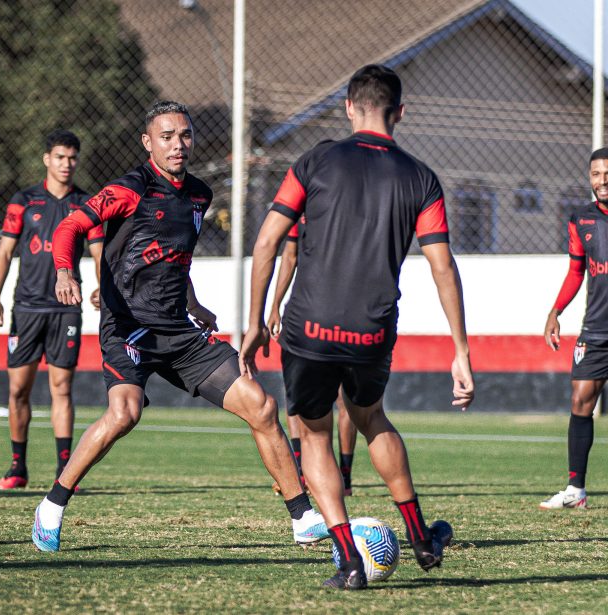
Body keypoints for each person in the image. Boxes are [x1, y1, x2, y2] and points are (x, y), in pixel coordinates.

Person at [31, 100, 328, 554]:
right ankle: (52, 505)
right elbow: (70, 227)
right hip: (129, 328)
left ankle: (303, 519)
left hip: (180, 331)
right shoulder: (129, 189)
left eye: (185, 135)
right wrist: (64, 272)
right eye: (166, 136)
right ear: (148, 142)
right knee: (125, 414)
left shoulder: (199, 195)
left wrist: (194, 303)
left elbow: (173, 257)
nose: (178, 144)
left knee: (261, 406)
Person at [241, 65, 474, 591]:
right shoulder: (421, 177)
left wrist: (255, 323)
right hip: (371, 329)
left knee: (315, 433)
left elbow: (265, 244)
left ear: (349, 107)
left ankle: (349, 562)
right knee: (371, 417)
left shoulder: (316, 159)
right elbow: (443, 266)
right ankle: (420, 537)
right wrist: (460, 350)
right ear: (400, 112)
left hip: (308, 328)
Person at [0, 130, 103, 490]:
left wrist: (101, 285)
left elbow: (99, 252)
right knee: (18, 390)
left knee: (61, 388)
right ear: (46, 159)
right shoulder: (23, 201)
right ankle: (17, 468)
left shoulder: (87, 204)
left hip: (66, 309)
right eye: (59, 157)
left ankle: (64, 472)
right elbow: (5, 253)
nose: (66, 164)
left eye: (72, 158)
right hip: (26, 308)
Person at [268, 220, 358, 497]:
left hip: (348, 310)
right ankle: (301, 470)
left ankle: (344, 474)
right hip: (305, 311)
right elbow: (289, 256)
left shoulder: (356, 208)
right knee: (295, 391)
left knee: (346, 398)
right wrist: (274, 307)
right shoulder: (301, 208)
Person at [540, 147, 608, 510]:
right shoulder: (580, 220)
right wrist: (555, 310)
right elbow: (575, 271)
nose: (602, 180)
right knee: (581, 400)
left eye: (607, 172)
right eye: (596, 174)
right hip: (596, 330)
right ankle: (575, 491)